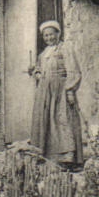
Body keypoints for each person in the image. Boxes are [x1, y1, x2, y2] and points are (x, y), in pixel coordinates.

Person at [31, 20, 84, 167]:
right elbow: (39, 68)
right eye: (46, 36)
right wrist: (36, 72)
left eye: (51, 35)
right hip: (45, 92)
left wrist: (70, 90)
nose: (49, 38)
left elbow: (73, 70)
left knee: (63, 121)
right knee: (47, 122)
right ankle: (49, 156)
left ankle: (67, 158)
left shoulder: (65, 48)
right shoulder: (44, 53)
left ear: (58, 34)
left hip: (60, 91)